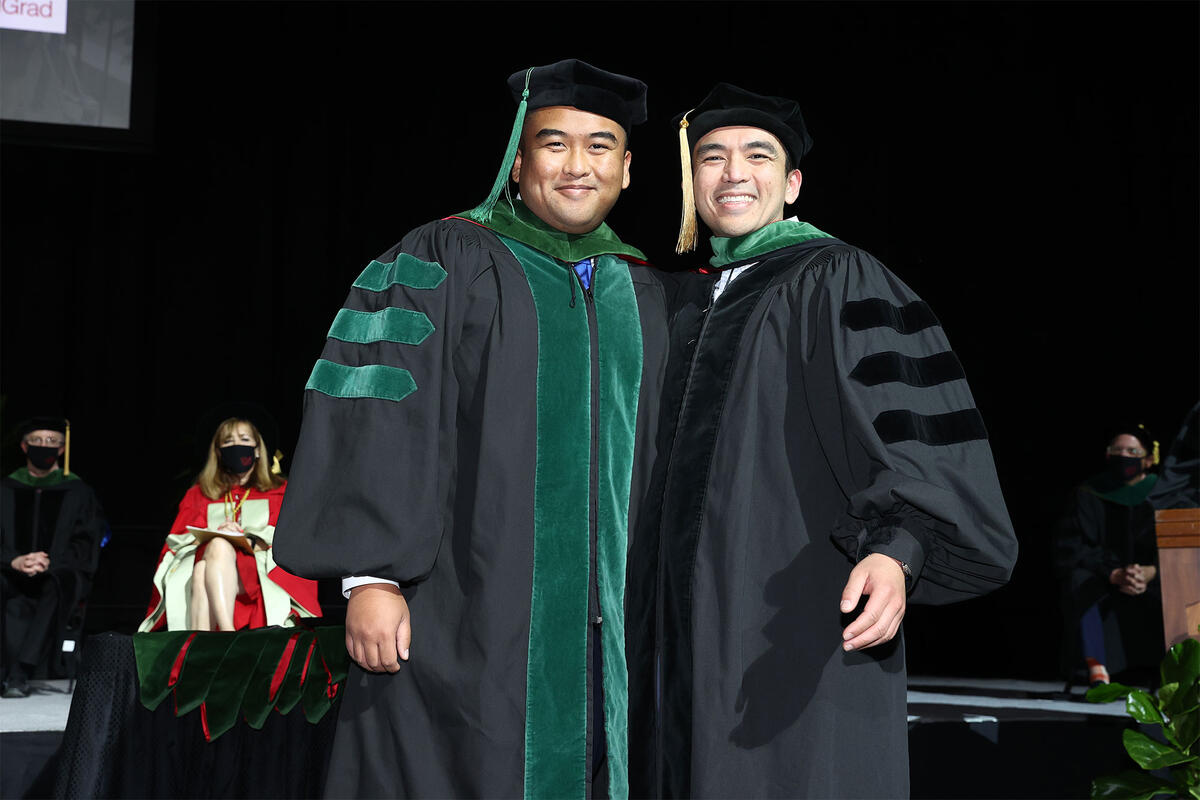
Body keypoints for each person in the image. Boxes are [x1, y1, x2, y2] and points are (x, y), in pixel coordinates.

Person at [274, 59, 669, 798]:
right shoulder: (442, 257)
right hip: (460, 610)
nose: (577, 166)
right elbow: (377, 414)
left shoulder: (640, 289)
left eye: (599, 147)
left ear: (625, 169)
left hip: (605, 631)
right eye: (554, 145)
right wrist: (371, 577)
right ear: (518, 164)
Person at [625, 84, 1018, 798]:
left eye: (757, 155)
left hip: (793, 622)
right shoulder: (667, 301)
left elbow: (910, 435)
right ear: (691, 181)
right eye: (711, 157)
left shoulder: (839, 279)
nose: (733, 172)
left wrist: (899, 552)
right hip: (663, 649)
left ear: (792, 182)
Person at [139, 412, 320, 632]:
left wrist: (247, 540)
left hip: (258, 571)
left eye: (244, 440)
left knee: (212, 556)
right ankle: (220, 635)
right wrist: (215, 534)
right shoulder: (200, 494)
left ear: (257, 450)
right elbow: (176, 543)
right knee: (203, 566)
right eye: (228, 441)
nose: (236, 446)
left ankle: (212, 638)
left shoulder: (279, 491)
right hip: (208, 567)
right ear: (218, 452)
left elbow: (292, 540)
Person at [1, 417, 106, 698]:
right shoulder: (6, 488)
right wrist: (14, 561)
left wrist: (48, 563)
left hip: (59, 572)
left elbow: (87, 542)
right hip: (9, 570)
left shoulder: (78, 491)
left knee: (56, 585)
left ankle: (19, 672)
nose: (44, 446)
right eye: (37, 440)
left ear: (62, 449)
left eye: (52, 441)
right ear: (24, 446)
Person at [1054, 424, 1164, 686]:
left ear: (1148, 459)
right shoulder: (1089, 493)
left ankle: (1176, 672)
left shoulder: (1166, 496)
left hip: (1154, 576)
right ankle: (1096, 667)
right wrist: (1114, 574)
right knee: (1079, 579)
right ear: (1107, 455)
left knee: (1185, 584)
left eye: (1132, 450)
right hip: (1105, 576)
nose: (1124, 455)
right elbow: (1071, 547)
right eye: (1117, 450)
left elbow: (1185, 550)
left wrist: (1151, 571)